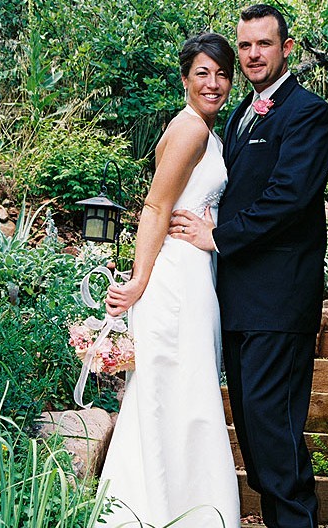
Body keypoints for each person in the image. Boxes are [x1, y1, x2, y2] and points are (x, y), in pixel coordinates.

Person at [169, 5, 328, 528]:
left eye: (263, 44)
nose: (252, 55)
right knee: (256, 439)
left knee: (275, 440)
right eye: (244, 46)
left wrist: (217, 237)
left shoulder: (307, 112)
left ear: (287, 48)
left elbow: (288, 197)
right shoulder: (244, 111)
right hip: (240, 304)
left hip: (279, 304)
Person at [96, 33, 240, 528]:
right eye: (203, 72)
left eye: (222, 73)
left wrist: (215, 230)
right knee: (177, 397)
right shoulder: (191, 130)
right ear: (184, 79)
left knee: (183, 394)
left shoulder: (203, 128)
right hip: (176, 278)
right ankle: (171, 512)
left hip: (193, 270)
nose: (214, 83)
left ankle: (178, 508)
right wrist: (138, 282)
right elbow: (156, 207)